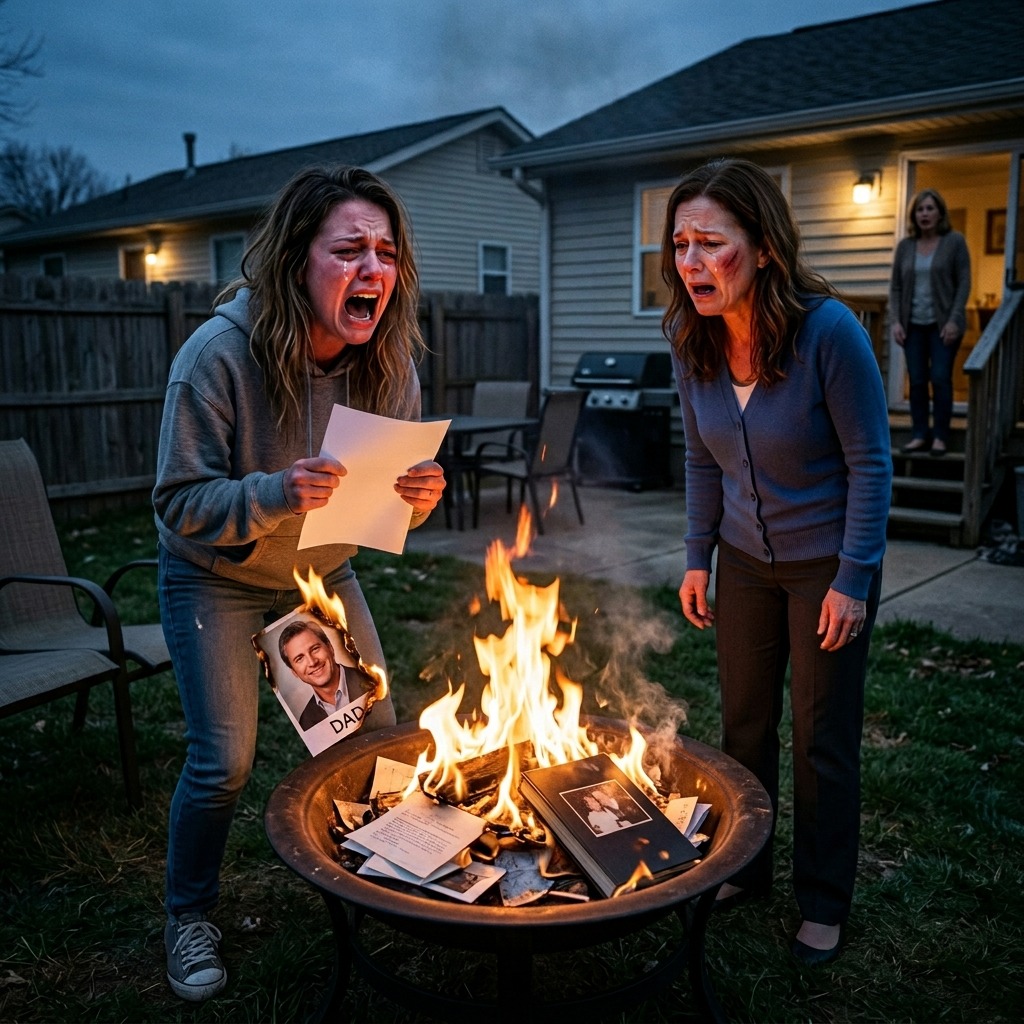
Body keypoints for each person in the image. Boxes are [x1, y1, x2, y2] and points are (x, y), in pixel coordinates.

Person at [153, 165, 446, 1002]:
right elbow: (175, 502)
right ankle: (189, 915)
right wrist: (274, 492)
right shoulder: (215, 356)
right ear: (294, 262)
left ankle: (376, 880)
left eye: (386, 252)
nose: (373, 269)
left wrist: (419, 498)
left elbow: (389, 497)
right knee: (224, 763)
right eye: (349, 248)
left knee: (371, 735)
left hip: (321, 570)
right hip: (218, 575)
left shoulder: (389, 363)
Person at [661, 158, 892, 966]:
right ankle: (746, 866)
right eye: (681, 244)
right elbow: (699, 463)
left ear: (762, 249)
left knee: (821, 738)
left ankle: (823, 900)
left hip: (825, 561)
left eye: (711, 243)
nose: (692, 262)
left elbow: (871, 461)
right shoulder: (690, 340)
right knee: (745, 726)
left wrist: (854, 577)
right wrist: (698, 559)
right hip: (743, 562)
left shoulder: (829, 332)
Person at [888, 188, 971, 457]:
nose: (924, 214)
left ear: (940, 213)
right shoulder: (906, 246)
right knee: (919, 380)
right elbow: (897, 287)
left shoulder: (954, 242)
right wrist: (897, 322)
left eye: (929, 208)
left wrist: (955, 319)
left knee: (940, 378)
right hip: (913, 326)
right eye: (920, 210)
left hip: (943, 325)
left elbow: (964, 283)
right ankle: (920, 434)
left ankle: (941, 437)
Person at [277, 619, 353, 730]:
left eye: (315, 649)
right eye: (300, 658)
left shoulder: (367, 680)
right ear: (294, 672)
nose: (312, 662)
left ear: (330, 648)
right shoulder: (306, 720)